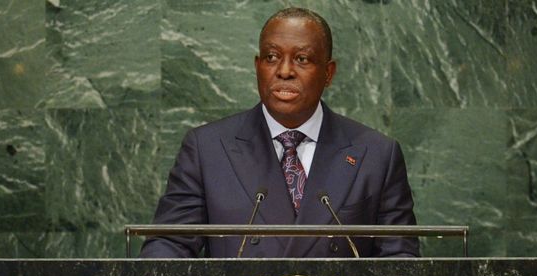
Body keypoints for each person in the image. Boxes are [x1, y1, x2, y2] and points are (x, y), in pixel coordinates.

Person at [140, 7, 419, 258]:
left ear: (328, 73)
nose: (284, 71)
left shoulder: (376, 154)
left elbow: (399, 262)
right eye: (272, 57)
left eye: (302, 59)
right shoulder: (207, 149)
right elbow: (169, 245)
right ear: (257, 66)